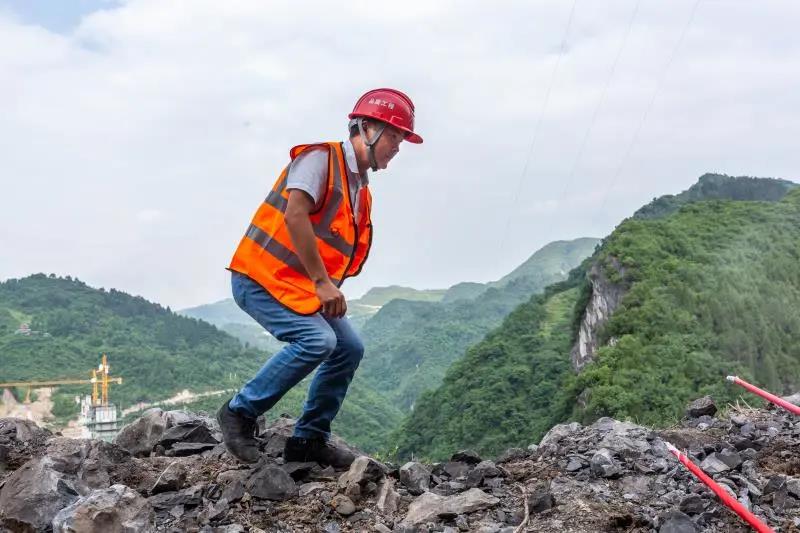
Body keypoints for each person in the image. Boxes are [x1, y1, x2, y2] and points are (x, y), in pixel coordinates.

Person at [217, 88, 423, 467]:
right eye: (394, 136)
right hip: (260, 278)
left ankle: (309, 440)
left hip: (296, 286)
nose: (397, 147)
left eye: (401, 139)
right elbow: (295, 214)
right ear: (367, 129)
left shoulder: (360, 189)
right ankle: (238, 413)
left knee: (349, 347)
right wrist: (322, 283)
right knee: (317, 340)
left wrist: (323, 285)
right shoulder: (320, 159)